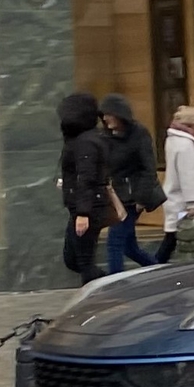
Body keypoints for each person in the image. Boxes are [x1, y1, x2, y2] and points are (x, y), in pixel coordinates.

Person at [98, 93, 161, 275]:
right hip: (115, 197)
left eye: (109, 114)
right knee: (129, 247)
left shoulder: (139, 133)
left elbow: (148, 169)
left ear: (120, 114)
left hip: (132, 199)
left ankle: (114, 285)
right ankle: (160, 271)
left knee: (114, 242)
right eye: (103, 115)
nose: (105, 118)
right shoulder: (105, 136)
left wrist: (141, 199)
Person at [57, 91, 112, 283]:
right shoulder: (85, 140)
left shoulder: (86, 142)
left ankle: (107, 288)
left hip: (88, 208)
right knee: (74, 259)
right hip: (85, 206)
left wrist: (83, 213)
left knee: (83, 261)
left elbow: (87, 177)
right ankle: (107, 285)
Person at [156, 104, 194, 260]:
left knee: (185, 237)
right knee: (180, 237)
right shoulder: (186, 146)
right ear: (193, 124)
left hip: (178, 200)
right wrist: (192, 204)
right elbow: (189, 175)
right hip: (185, 203)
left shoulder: (176, 141)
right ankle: (154, 268)